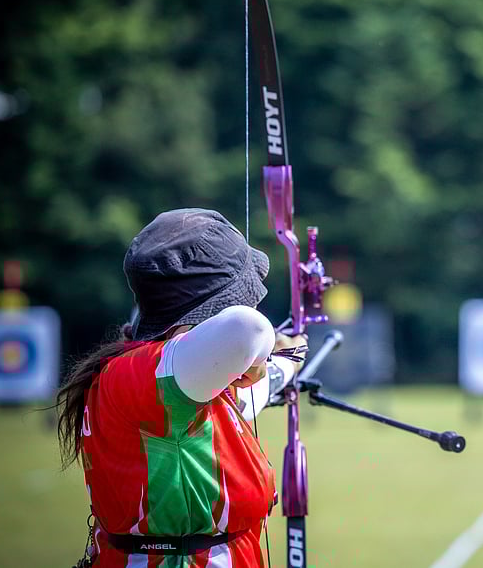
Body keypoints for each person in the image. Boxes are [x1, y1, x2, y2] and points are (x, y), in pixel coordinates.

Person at [55, 208, 305, 568]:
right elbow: (249, 329)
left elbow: (240, 403)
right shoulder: (143, 374)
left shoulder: (179, 382)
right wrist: (262, 354)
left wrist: (291, 360)